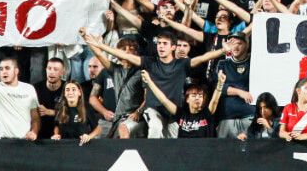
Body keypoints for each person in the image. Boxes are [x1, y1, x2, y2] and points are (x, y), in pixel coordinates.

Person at [82, 29, 224, 138]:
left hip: (174, 113)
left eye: (165, 44)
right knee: (155, 128)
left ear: (173, 47)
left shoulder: (182, 64)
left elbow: (204, 57)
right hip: (153, 109)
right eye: (159, 43)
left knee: (172, 143)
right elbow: (125, 55)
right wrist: (98, 44)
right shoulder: (149, 63)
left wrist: (223, 50)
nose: (160, 46)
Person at [52, 81, 101, 145]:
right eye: (67, 90)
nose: (70, 92)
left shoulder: (87, 107)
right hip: (64, 146)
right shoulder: (59, 107)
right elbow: (57, 125)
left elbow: (98, 128)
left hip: (81, 146)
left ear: (79, 92)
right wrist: (56, 135)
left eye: (74, 89)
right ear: (64, 93)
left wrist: (89, 136)